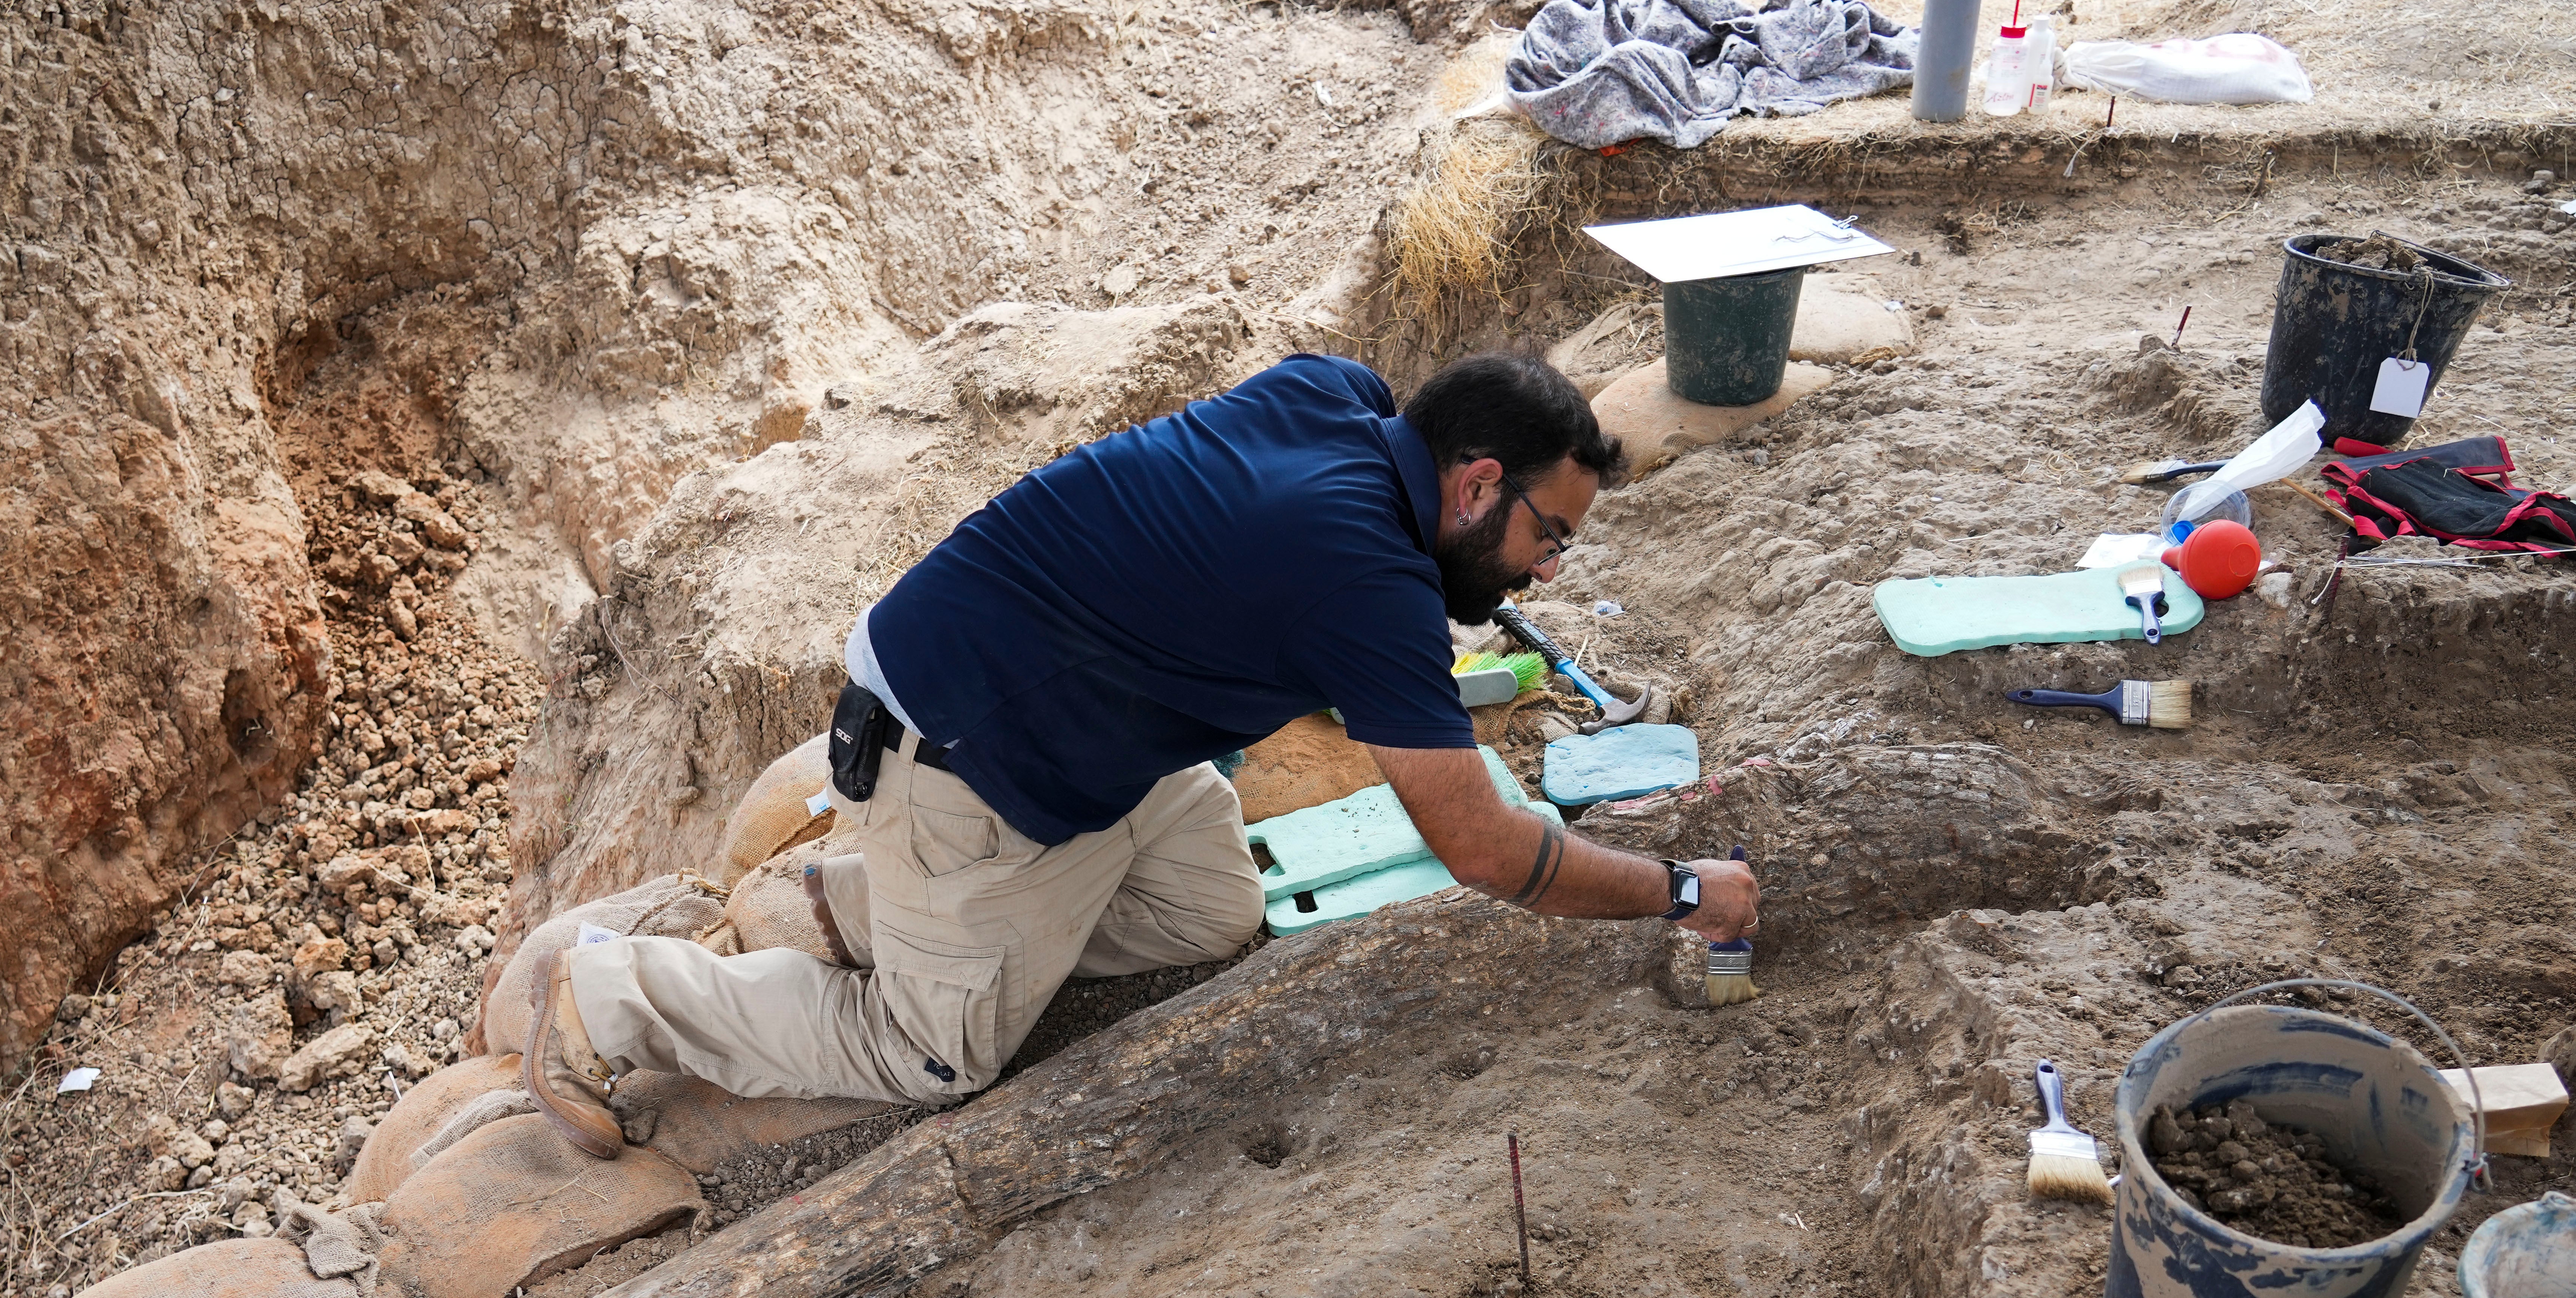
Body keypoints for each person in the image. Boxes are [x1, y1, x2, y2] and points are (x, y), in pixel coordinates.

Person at [522, 352, 1761, 1155]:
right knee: (938, 1053)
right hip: (971, 751)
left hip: (1065, 718)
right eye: (1547, 536)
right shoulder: (1366, 578)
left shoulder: (1337, 396)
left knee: (1214, 908)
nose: (1545, 571)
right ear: (1477, 481)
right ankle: (611, 994)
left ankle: (867, 906)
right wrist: (1683, 891)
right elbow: (1485, 851)